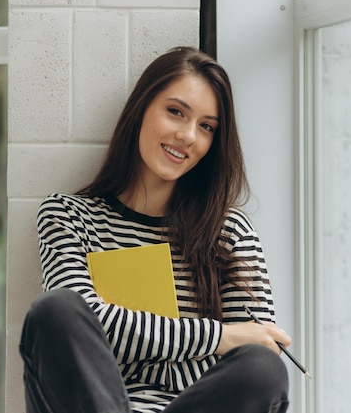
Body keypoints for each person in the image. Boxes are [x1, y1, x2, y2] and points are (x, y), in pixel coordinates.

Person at [19, 46, 291, 413]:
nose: (188, 136)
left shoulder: (229, 232)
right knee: (56, 309)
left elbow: (256, 349)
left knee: (264, 368)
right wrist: (219, 336)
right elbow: (81, 325)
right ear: (141, 109)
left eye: (206, 127)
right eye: (176, 112)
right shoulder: (68, 216)